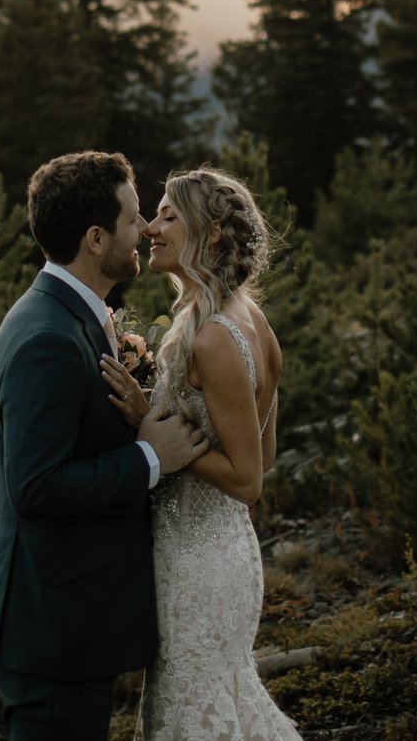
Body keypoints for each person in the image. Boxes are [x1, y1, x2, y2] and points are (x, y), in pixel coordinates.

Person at [0, 150, 209, 741]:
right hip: (54, 628)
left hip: (71, 621)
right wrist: (152, 457)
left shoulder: (69, 317)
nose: (146, 231)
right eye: (134, 220)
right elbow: (37, 486)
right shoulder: (46, 339)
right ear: (96, 237)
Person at [101, 166, 301, 741]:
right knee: (217, 700)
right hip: (224, 552)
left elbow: (247, 479)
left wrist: (148, 421)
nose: (149, 228)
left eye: (168, 215)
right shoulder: (249, 319)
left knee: (191, 714)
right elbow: (264, 449)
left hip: (198, 566)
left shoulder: (213, 335)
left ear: (211, 233)